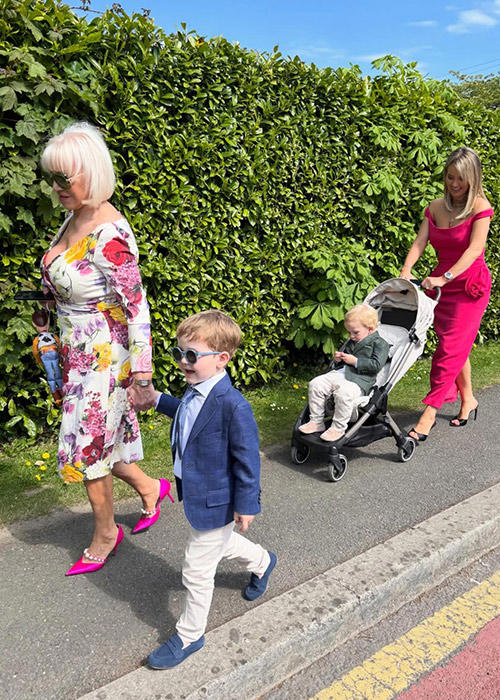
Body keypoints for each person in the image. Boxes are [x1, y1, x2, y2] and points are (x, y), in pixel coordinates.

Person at [40, 122, 173, 577]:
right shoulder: (75, 214)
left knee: (87, 449)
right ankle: (151, 488)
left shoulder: (110, 232)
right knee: (102, 442)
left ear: (92, 173)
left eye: (65, 177)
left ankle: (105, 533)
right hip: (76, 353)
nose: (56, 187)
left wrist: (142, 374)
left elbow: (136, 306)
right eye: (52, 177)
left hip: (104, 359)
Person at [129, 309, 276, 668]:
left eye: (192, 355)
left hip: (218, 498)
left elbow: (247, 460)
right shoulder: (197, 389)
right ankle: (263, 561)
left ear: (221, 358)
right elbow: (189, 416)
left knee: (196, 569)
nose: (183, 361)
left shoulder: (234, 405)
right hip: (198, 492)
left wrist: (247, 504)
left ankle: (190, 635)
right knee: (217, 543)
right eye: (179, 352)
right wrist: (158, 400)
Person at [400, 146, 493, 442]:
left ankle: (429, 413)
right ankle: (469, 399)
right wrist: (406, 270)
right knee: (454, 345)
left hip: (469, 286)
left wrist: (445, 277)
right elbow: (420, 242)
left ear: (473, 178)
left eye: (461, 178)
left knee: (449, 350)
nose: (454, 184)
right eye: (450, 177)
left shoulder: (480, 207)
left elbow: (474, 249)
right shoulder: (435, 207)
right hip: (441, 288)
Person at [299, 304, 390, 442]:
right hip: (342, 373)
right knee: (316, 384)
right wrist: (338, 359)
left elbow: (376, 365)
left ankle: (338, 428)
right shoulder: (353, 340)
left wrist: (355, 361)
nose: (351, 336)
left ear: (370, 329)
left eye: (355, 332)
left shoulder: (380, 344)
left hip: (360, 380)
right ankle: (316, 421)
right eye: (349, 332)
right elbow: (345, 358)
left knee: (344, 393)